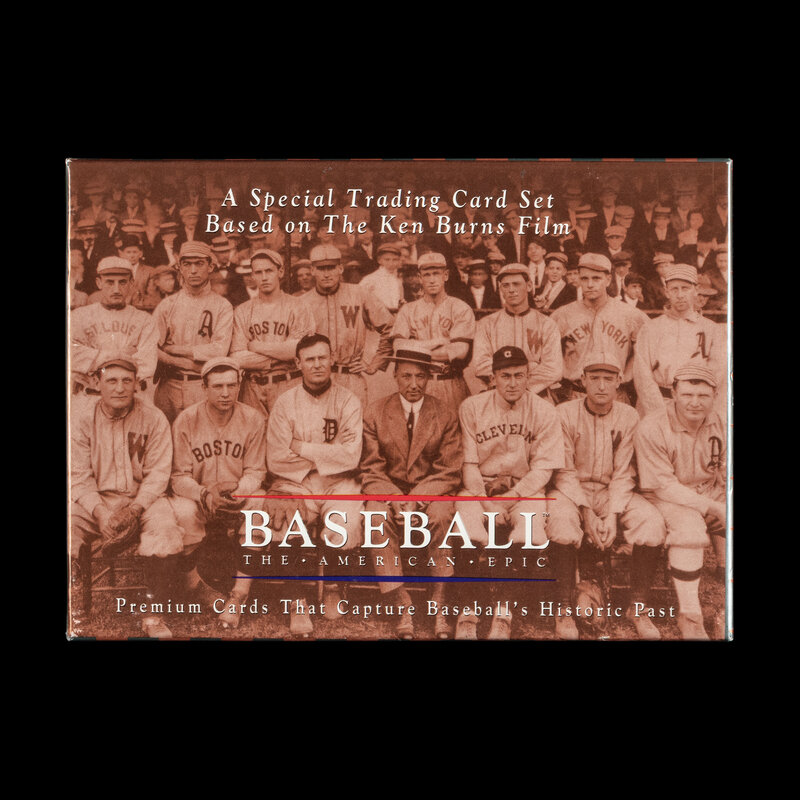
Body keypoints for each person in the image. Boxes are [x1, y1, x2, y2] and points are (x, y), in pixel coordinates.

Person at [544, 352, 667, 640]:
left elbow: (624, 473)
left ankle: (638, 608)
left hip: (612, 491)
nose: (601, 385)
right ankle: (563, 609)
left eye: (608, 379)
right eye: (595, 378)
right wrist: (586, 513)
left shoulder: (629, 415)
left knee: (651, 523)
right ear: (582, 379)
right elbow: (564, 471)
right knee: (561, 523)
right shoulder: (564, 412)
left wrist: (612, 514)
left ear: (619, 381)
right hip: (570, 490)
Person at [455, 346, 564, 640]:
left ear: (528, 376)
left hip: (525, 487)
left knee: (530, 531)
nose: (513, 382)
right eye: (505, 376)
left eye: (519, 375)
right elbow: (469, 465)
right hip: (479, 487)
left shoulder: (544, 411)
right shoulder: (472, 407)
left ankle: (504, 613)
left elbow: (543, 470)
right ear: (493, 378)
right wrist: (487, 504)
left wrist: (510, 498)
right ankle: (468, 611)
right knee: (466, 527)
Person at [69, 355, 182, 638]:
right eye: (112, 380)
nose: (119, 388)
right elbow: (78, 475)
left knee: (166, 530)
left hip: (142, 500)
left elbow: (158, 474)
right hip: (96, 501)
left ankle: (153, 615)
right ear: (97, 383)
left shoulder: (153, 418)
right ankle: (75, 605)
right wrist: (100, 513)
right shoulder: (81, 418)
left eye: (126, 381)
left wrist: (134, 510)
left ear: (136, 384)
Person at [265, 334, 366, 637]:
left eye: (323, 357)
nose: (318, 364)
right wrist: (324, 456)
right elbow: (276, 458)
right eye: (310, 359)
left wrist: (301, 447)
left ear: (332, 359)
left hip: (340, 481)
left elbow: (351, 455)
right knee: (286, 520)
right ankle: (297, 600)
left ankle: (333, 586)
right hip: (297, 481)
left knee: (345, 523)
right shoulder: (285, 402)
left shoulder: (348, 400)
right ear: (298, 363)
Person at [360, 344, 463, 639]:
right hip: (388, 490)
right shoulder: (375, 412)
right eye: (406, 376)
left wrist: (417, 499)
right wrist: (394, 498)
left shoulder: (444, 413)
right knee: (375, 516)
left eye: (420, 376)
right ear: (395, 375)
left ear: (428, 378)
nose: (414, 384)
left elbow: (449, 469)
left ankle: (438, 601)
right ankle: (401, 601)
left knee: (442, 515)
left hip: (431, 491)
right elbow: (371, 467)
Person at [165, 357, 268, 632]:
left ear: (239, 386)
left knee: (259, 505)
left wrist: (239, 492)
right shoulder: (186, 420)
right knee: (182, 512)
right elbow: (178, 476)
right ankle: (195, 585)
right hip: (200, 496)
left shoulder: (253, 418)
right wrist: (203, 493)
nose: (225, 393)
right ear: (204, 387)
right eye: (218, 386)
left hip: (238, 492)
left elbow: (256, 470)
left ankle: (239, 594)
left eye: (231, 386)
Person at [633, 363, 727, 639]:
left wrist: (721, 501)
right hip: (667, 496)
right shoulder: (652, 426)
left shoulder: (722, 421)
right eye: (687, 394)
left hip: (709, 492)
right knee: (689, 529)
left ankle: (725, 611)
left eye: (703, 396)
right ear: (674, 393)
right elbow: (663, 485)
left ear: (714, 396)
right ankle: (690, 615)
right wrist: (713, 508)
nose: (695, 403)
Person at [298, 244, 394, 409]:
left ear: (340, 269)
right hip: (315, 380)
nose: (326, 274)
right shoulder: (302, 303)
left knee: (354, 423)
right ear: (312, 270)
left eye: (331, 268)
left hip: (350, 376)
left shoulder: (359, 294)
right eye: (321, 269)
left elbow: (390, 327)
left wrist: (375, 363)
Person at [550, 253, 649, 404]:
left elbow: (645, 353)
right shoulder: (562, 315)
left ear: (608, 279)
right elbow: (548, 356)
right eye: (584, 278)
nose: (590, 284)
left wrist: (627, 375)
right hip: (574, 394)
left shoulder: (631, 315)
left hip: (616, 395)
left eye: (596, 278)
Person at [152, 241, 234, 423]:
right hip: (168, 386)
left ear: (210, 266)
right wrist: (186, 363)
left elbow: (219, 350)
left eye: (199, 264)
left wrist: (176, 349)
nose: (193, 270)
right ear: (179, 267)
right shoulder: (167, 305)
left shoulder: (222, 306)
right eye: (187, 264)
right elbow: (152, 348)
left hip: (202, 386)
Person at [229, 249, 315, 418]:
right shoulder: (243, 310)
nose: (264, 277)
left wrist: (256, 346)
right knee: (254, 433)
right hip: (252, 387)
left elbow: (298, 350)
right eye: (258, 272)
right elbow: (237, 357)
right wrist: (281, 354)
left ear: (280, 272)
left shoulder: (298, 306)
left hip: (288, 383)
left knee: (289, 432)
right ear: (252, 276)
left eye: (269, 271)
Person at [633, 264, 726, 419]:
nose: (680, 294)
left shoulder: (712, 330)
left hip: (696, 408)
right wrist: (659, 413)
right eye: (674, 289)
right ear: (666, 292)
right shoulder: (651, 328)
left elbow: (719, 377)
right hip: (657, 406)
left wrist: (703, 412)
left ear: (696, 290)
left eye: (685, 288)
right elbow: (642, 376)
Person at [71, 256, 159, 416]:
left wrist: (93, 358)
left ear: (131, 283)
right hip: (88, 398)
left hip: (128, 400)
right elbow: (72, 354)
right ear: (99, 283)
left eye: (122, 282)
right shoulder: (79, 316)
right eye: (110, 282)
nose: (116, 289)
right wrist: (119, 355)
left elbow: (146, 365)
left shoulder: (145, 320)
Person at [391, 251, 476, 412]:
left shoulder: (460, 308)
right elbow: (398, 348)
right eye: (427, 274)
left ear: (446, 275)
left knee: (454, 426)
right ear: (420, 277)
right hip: (418, 385)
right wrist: (438, 342)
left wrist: (414, 348)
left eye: (436, 273)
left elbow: (459, 351)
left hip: (450, 381)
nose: (431, 280)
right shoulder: (408, 310)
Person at [471, 263, 563, 399]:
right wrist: (531, 366)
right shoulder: (487, 324)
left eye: (516, 284)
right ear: (500, 289)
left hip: (537, 395)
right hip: (498, 396)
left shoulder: (546, 324)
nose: (511, 290)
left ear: (529, 286)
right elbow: (480, 365)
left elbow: (553, 369)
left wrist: (518, 385)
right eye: (505, 285)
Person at [359, 242, 406, 314]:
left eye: (395, 260)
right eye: (387, 260)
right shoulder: (370, 279)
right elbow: (359, 300)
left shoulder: (398, 281)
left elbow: (400, 300)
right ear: (379, 260)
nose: (391, 263)